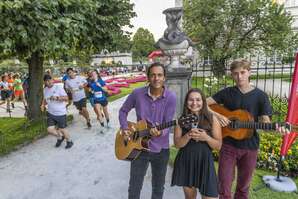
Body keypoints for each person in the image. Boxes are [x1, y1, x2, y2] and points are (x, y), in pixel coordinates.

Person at [206, 58, 289, 199]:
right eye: (235, 73)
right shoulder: (226, 93)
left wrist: (276, 128)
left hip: (250, 147)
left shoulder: (261, 96)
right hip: (228, 145)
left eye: (243, 72)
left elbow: (266, 123)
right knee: (224, 186)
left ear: (249, 72)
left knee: (243, 188)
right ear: (232, 75)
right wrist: (217, 116)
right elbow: (204, 103)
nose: (239, 77)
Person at [119, 62, 177, 199]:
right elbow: (123, 111)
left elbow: (167, 124)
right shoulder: (137, 94)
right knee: (134, 186)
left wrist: (160, 132)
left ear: (164, 78)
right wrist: (125, 128)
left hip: (161, 150)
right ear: (148, 77)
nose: (156, 78)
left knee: (158, 187)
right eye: (153, 75)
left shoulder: (171, 97)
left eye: (159, 75)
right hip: (138, 148)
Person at [171, 88, 222, 199]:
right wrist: (188, 135)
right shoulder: (181, 120)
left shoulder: (212, 119)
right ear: (186, 102)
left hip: (205, 162)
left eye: (198, 100)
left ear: (203, 101)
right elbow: (177, 144)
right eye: (191, 100)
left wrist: (206, 138)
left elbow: (218, 146)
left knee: (210, 196)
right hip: (186, 161)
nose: (194, 103)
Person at [41, 74, 73, 149]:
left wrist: (57, 97)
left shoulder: (58, 87)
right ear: (45, 82)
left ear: (53, 80)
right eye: (47, 81)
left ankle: (69, 141)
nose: (49, 82)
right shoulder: (45, 90)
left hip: (60, 113)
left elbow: (66, 98)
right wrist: (42, 105)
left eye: (50, 80)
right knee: (50, 129)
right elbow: (45, 100)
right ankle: (60, 137)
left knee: (62, 129)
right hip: (51, 113)